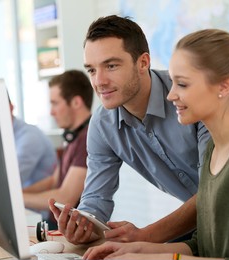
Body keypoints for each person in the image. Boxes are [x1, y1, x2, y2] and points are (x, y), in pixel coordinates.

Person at [83, 23, 229, 260]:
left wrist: (163, 258)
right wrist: (137, 250)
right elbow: (205, 243)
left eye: (183, 84)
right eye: (92, 70)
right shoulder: (214, 153)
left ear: (224, 85)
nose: (169, 94)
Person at [48, 15, 211, 244]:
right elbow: (96, 199)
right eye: (92, 70)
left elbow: (214, 190)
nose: (99, 81)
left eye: (111, 66)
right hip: (205, 223)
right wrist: (83, 224)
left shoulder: (188, 96)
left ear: (143, 62)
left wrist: (145, 236)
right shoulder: (103, 126)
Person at [23, 69, 94, 229]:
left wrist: (15, 198)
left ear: (76, 102)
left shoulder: (88, 139)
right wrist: (19, 192)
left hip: (68, 232)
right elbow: (53, 181)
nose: (51, 111)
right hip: (54, 225)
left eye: (55, 103)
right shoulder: (73, 136)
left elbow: (65, 197)